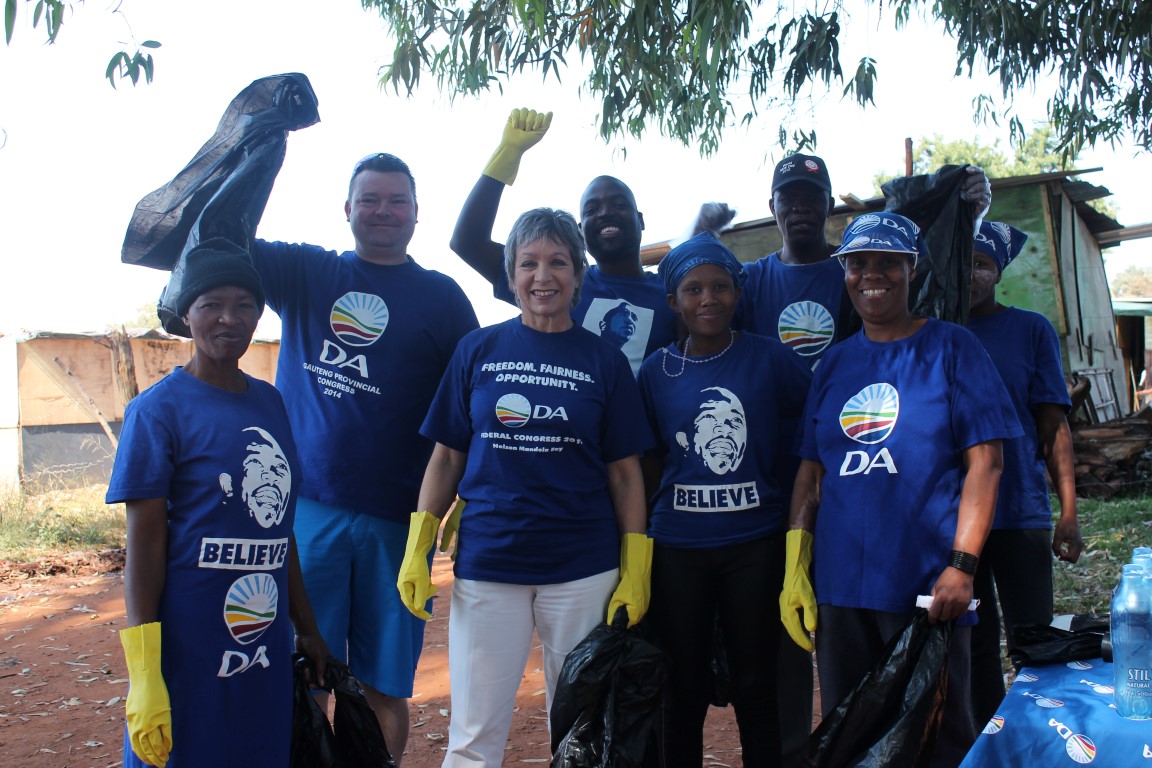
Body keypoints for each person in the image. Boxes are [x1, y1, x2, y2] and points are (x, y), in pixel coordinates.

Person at [398, 208, 654, 768]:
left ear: (578, 275)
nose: (543, 276)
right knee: (472, 736)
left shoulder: (605, 361)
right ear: (511, 275)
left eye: (558, 262)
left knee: (583, 733)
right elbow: (447, 456)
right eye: (528, 263)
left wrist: (636, 565)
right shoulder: (478, 350)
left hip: (582, 569)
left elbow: (624, 472)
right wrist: (419, 545)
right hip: (490, 564)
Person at [250, 152, 480, 761]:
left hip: (400, 522)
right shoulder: (306, 272)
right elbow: (226, 237)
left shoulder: (443, 298)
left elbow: (473, 404)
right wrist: (259, 144)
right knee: (305, 670)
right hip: (307, 514)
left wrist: (469, 493)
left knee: (384, 683)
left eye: (396, 200)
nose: (383, 211)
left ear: (416, 213)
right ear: (347, 208)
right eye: (370, 199)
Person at [781, 212, 1022, 767]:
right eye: (858, 263)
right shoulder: (835, 363)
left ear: (912, 269)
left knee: (936, 736)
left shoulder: (952, 348)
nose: (872, 274)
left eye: (888, 262)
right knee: (851, 734)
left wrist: (961, 566)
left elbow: (986, 464)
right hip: (842, 588)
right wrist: (796, 566)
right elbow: (811, 474)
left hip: (926, 589)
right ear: (845, 273)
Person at [107, 238, 329, 767]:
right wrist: (145, 672)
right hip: (188, 646)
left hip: (262, 643)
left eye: (244, 304)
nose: (229, 318)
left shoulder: (270, 402)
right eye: (211, 304)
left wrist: (307, 629)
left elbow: (279, 533)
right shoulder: (157, 412)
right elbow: (144, 548)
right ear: (186, 315)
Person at [639, 234, 811, 768]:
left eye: (719, 287)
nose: (708, 299)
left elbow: (810, 429)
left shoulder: (770, 357)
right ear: (674, 302)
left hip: (755, 545)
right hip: (676, 549)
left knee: (756, 683)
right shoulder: (656, 370)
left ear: (738, 293)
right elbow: (647, 461)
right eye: (693, 290)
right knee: (682, 685)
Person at [450, 108, 678, 376]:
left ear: (640, 220)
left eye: (619, 205)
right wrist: (507, 155)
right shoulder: (558, 283)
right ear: (580, 232)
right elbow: (467, 242)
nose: (605, 213)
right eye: (592, 210)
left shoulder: (673, 295)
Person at [966, 220, 1083, 724]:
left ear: (998, 272)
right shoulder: (932, 332)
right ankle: (987, 742)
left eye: (981, 264)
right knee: (970, 644)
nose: (971, 275)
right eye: (962, 263)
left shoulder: (1030, 329)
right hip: (955, 517)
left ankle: (1039, 735)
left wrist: (1068, 512)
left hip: (1019, 509)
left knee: (1034, 640)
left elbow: (1053, 425)